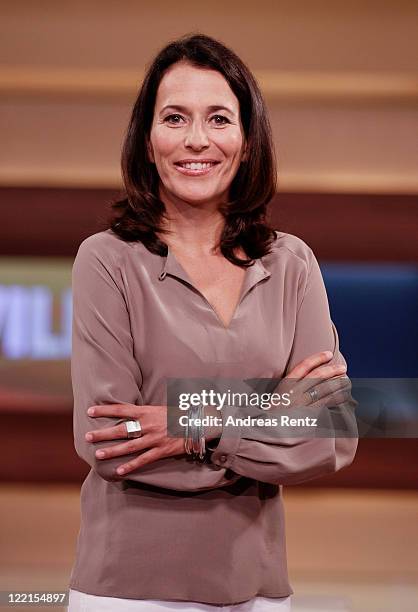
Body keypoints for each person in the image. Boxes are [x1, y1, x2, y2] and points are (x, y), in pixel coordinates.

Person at [67, 33, 358, 612]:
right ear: (147, 142)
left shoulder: (291, 263)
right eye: (174, 118)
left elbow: (332, 434)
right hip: (127, 591)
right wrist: (270, 412)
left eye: (219, 118)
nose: (196, 139)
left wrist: (192, 425)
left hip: (259, 591)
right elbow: (110, 444)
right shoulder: (106, 260)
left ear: (247, 141)